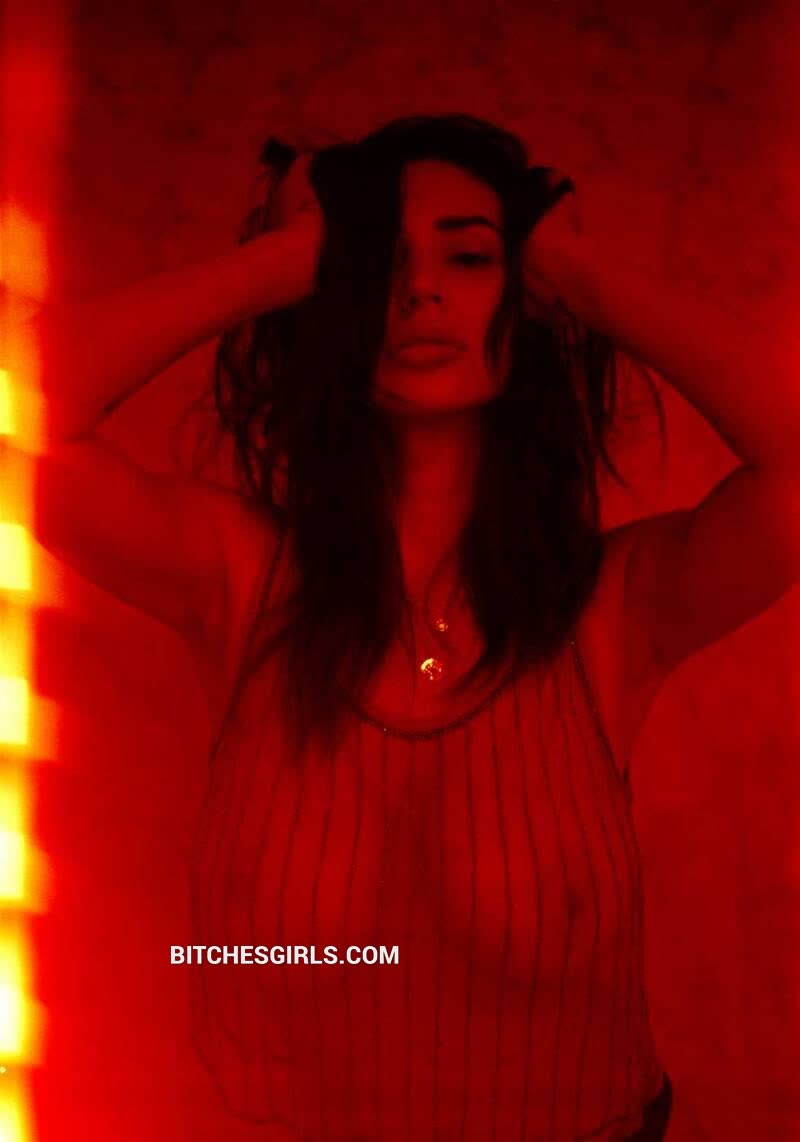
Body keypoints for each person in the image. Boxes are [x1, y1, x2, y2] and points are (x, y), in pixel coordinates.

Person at [7, 113, 799, 1140]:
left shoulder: (618, 603)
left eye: (469, 257)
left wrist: (576, 274)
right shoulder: (236, 574)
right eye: (376, 261)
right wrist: (279, 264)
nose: (418, 290)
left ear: (524, 292)